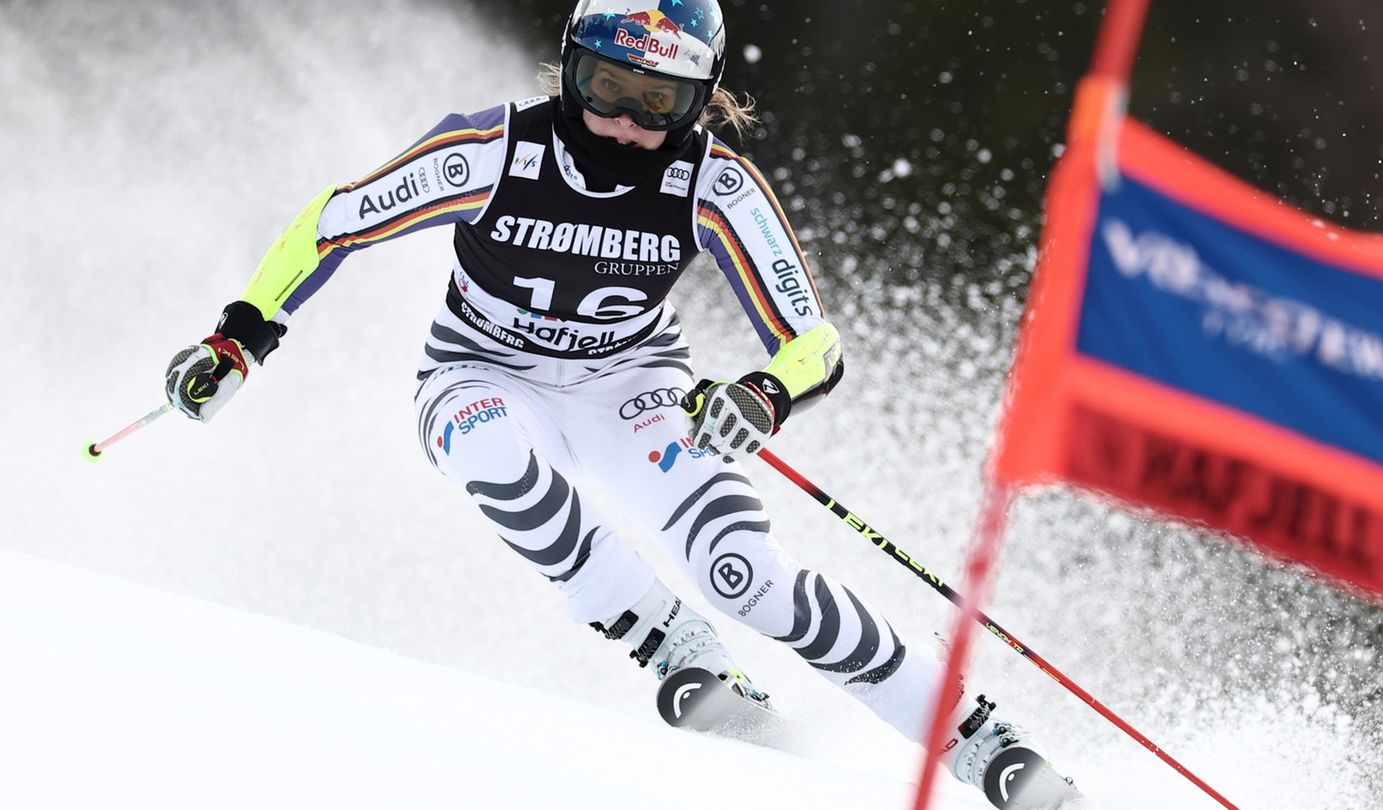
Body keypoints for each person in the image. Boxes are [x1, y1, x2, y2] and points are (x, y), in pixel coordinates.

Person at [162, 1, 1078, 807]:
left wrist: (763, 393)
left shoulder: (712, 185)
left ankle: (978, 736)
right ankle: (672, 642)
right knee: (492, 455)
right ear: (569, 67)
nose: (624, 123)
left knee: (746, 579)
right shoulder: (493, 151)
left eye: (658, 105)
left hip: (632, 386)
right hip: (478, 373)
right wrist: (240, 337)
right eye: (604, 87)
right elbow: (335, 220)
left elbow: (815, 346)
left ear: (700, 99)